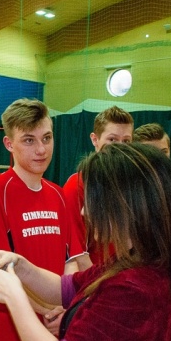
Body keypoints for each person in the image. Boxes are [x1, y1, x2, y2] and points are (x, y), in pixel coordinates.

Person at [0, 143, 171, 341]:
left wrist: (14, 296)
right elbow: (65, 288)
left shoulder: (134, 288)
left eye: (91, 200)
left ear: (123, 204)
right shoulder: (136, 261)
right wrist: (21, 266)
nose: (83, 211)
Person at [0, 98, 87, 341]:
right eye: (29, 140)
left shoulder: (58, 195)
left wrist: (65, 311)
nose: (41, 149)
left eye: (46, 138)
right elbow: (0, 274)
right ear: (9, 144)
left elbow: (70, 262)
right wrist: (49, 311)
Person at [62, 105, 133, 267]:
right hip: (97, 277)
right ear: (95, 139)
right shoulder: (76, 186)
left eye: (126, 141)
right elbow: (78, 255)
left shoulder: (132, 184)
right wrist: (103, 282)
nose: (120, 147)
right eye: (112, 139)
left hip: (127, 274)